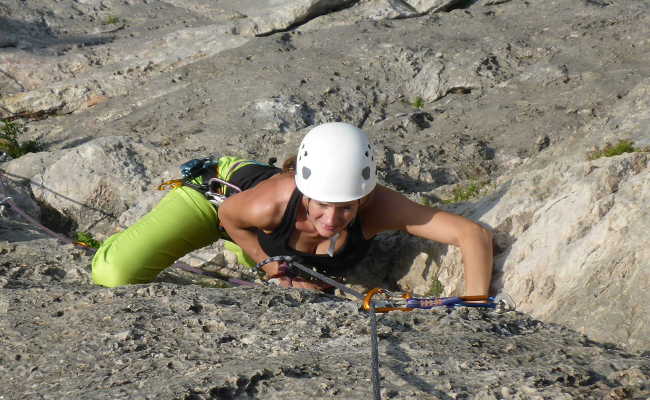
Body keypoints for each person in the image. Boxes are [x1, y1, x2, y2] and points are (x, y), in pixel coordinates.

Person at [92, 122, 493, 297]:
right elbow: (230, 216)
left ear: (364, 197)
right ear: (305, 191)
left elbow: (470, 235)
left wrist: (477, 304)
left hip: (257, 222)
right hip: (217, 203)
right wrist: (268, 265)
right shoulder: (273, 202)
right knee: (116, 274)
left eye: (346, 209)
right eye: (321, 205)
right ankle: (121, 243)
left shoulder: (379, 204)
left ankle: (246, 248)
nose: (331, 221)